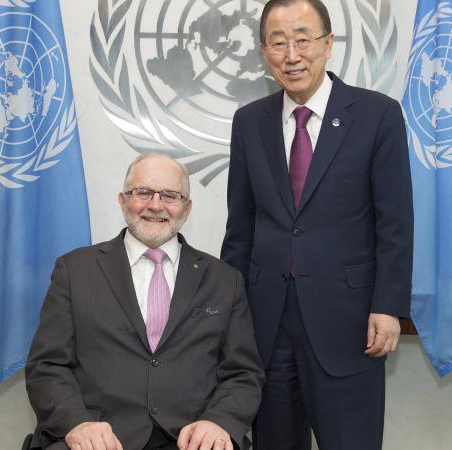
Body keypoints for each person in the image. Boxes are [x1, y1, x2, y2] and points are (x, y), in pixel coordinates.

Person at [220, 0, 413, 449]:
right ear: (264, 51)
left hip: (348, 324)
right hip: (266, 325)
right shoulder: (250, 122)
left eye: (303, 39)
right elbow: (240, 228)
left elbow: (396, 223)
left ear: (328, 44)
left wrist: (388, 305)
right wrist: (228, 317)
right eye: (278, 42)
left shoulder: (377, 115)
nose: (292, 55)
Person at [26, 153, 264, 450]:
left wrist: (219, 422)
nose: (155, 205)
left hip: (190, 440)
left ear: (186, 209)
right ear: (123, 200)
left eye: (169, 195)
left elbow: (243, 374)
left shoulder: (225, 280)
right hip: (99, 441)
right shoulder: (74, 271)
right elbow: (47, 366)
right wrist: (77, 423)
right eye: (143, 192)